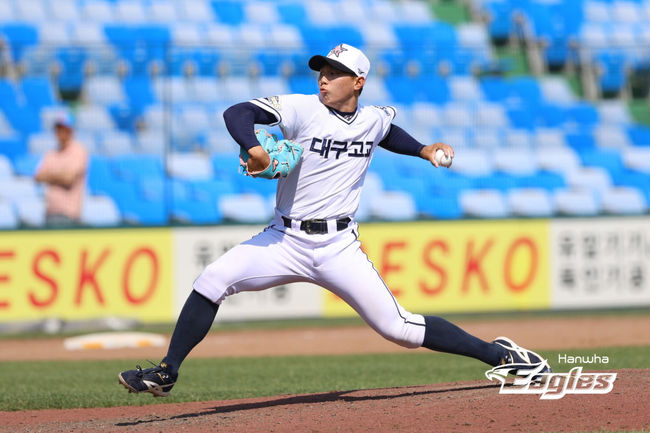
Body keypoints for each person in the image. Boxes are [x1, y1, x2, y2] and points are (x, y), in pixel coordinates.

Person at [118, 43, 551, 397]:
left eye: (334, 72)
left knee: (398, 329)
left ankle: (501, 356)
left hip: (338, 247)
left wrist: (423, 150)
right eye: (321, 70)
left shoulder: (372, 118)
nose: (323, 77)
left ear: (358, 82)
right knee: (213, 280)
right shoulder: (303, 109)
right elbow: (237, 113)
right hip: (284, 240)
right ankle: (166, 371)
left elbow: (385, 131)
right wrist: (254, 146)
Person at [34, 112, 88, 227]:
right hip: (50, 213)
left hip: (69, 214)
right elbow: (38, 176)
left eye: (63, 128)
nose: (60, 132)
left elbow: (68, 178)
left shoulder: (78, 151)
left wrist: (50, 175)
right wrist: (59, 175)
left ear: (71, 130)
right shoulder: (51, 153)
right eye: (58, 129)